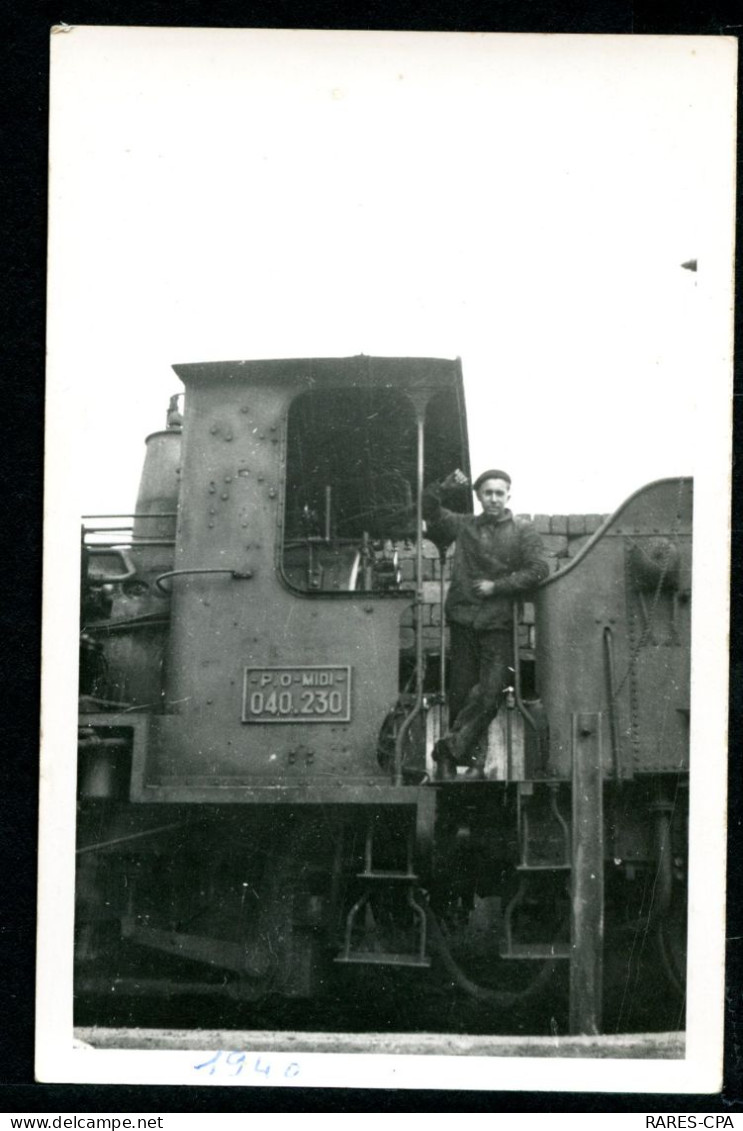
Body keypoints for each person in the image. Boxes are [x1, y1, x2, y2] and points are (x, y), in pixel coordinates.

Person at [423, 468, 549, 781]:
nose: (493, 498)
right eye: (487, 492)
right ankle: (468, 765)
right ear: (479, 496)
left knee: (490, 693)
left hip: (499, 624)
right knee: (462, 694)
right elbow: (427, 508)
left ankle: (448, 750)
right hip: (463, 621)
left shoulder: (522, 530)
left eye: (499, 492)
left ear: (508, 495)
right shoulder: (464, 525)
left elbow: (538, 569)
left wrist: (498, 586)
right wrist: (445, 486)